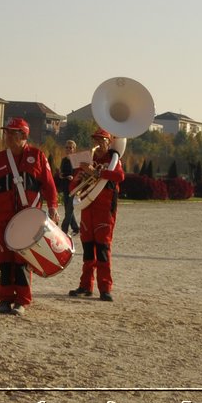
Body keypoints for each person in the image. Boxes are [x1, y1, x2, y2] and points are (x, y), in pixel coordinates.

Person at [0, 118, 59, 314]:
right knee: (4, 259)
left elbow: (49, 185)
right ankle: (4, 299)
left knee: (22, 261)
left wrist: (53, 206)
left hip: (27, 218)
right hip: (3, 218)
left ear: (23, 135)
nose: (7, 136)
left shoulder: (37, 156)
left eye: (12, 133)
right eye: (6, 132)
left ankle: (22, 301)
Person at [69, 127, 124, 301]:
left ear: (109, 142)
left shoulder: (114, 159)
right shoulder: (86, 159)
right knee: (87, 251)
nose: (98, 144)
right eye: (96, 140)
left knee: (102, 250)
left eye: (102, 140)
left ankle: (105, 288)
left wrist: (97, 172)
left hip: (105, 210)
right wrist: (80, 176)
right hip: (87, 208)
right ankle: (85, 286)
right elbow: (73, 188)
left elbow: (119, 176)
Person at [57, 141, 82, 236]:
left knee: (69, 209)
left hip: (73, 187)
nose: (68, 149)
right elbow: (62, 173)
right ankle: (75, 228)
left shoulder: (76, 160)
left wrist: (73, 177)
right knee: (67, 209)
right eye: (67, 147)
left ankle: (64, 229)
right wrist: (60, 175)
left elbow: (78, 174)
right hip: (65, 185)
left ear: (74, 149)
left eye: (70, 148)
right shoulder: (64, 160)